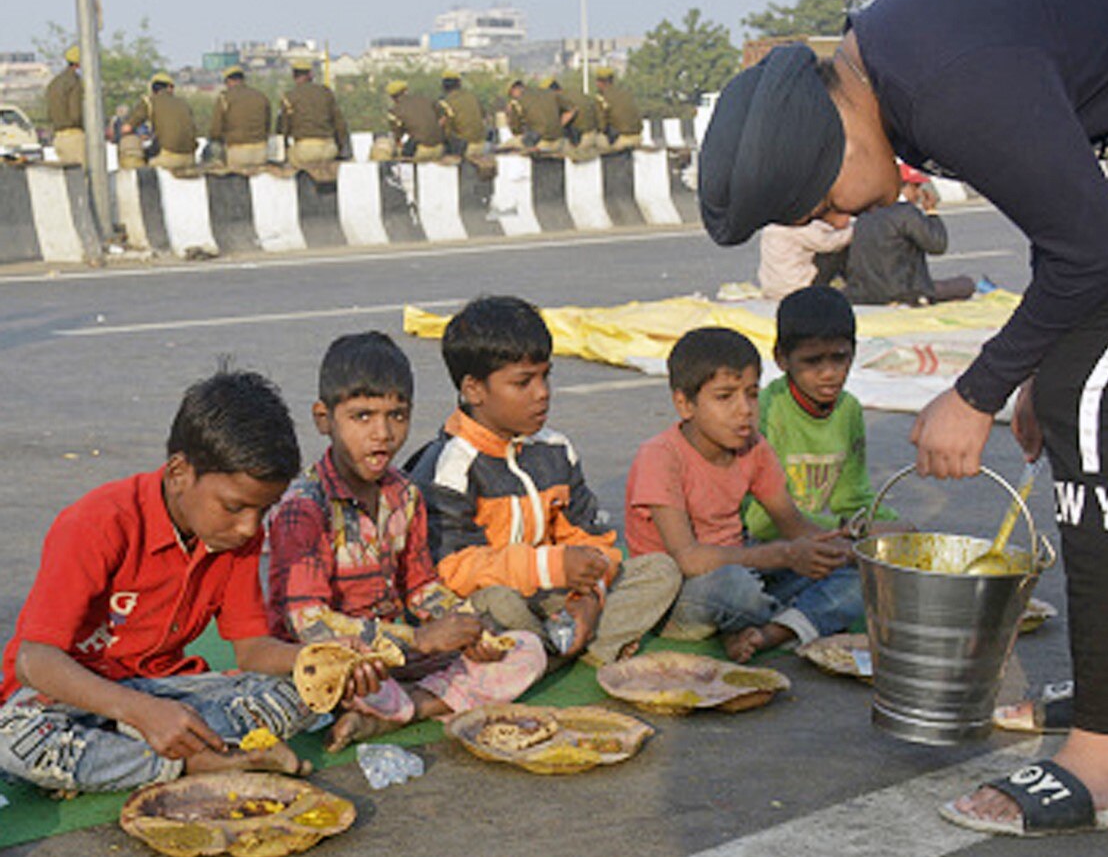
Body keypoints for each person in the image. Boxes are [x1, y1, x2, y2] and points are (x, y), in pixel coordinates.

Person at [698, 0, 1108, 836]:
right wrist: (1025, 368)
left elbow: (1092, 249)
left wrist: (976, 392)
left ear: (838, 132)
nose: (836, 223)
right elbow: (1077, 233)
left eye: (819, 202)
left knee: (1102, 392)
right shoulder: (903, 56)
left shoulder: (949, 83)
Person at [0, 371, 375, 793]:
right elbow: (33, 662)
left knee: (301, 693)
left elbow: (252, 650)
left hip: (168, 693)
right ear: (179, 472)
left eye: (263, 511)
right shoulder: (97, 523)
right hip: (70, 699)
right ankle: (195, 763)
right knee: (17, 740)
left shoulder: (238, 538)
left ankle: (166, 757)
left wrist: (321, 658)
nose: (249, 527)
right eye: (234, 507)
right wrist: (140, 712)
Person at [268, 332, 546, 753]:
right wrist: (418, 640)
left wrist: (465, 624)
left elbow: (420, 587)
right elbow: (308, 625)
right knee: (336, 683)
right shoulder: (304, 509)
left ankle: (406, 709)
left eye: (397, 416)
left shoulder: (404, 494)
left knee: (525, 650)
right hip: (341, 661)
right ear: (324, 419)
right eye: (362, 417)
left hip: (400, 655)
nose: (382, 434)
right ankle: (406, 704)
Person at [409, 296, 680, 667]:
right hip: (494, 598)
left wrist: (588, 598)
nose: (542, 393)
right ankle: (562, 649)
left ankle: (559, 649)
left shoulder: (555, 449)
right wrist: (550, 565)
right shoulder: (450, 467)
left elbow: (592, 542)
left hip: (553, 593)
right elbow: (452, 569)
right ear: (473, 390)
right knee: (499, 603)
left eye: (545, 376)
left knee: (659, 570)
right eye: (523, 382)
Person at [625, 326, 860, 663]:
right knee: (738, 590)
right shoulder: (660, 456)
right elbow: (687, 559)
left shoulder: (754, 448)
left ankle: (767, 634)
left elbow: (794, 526)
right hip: (682, 593)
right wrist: (784, 556)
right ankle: (797, 620)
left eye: (751, 394)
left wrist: (847, 551)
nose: (745, 410)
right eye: (725, 397)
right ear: (684, 404)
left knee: (853, 578)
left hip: (745, 565)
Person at [744, 286, 899, 555]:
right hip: (759, 548)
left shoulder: (848, 409)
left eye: (839, 358)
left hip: (813, 540)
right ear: (782, 358)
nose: (829, 373)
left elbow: (851, 497)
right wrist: (852, 529)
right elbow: (761, 521)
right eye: (812, 361)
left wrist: (897, 527)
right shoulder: (765, 412)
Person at [842, 166, 974, 306]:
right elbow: (937, 245)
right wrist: (931, 212)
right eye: (915, 187)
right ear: (901, 187)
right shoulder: (905, 213)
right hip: (903, 293)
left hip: (863, 294)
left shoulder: (865, 214)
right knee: (966, 284)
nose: (918, 193)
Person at [277, 59, 349, 168]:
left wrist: (286, 147)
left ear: (293, 76)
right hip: (328, 150)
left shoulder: (288, 97)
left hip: (304, 152)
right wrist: (340, 149)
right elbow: (340, 124)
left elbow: (283, 128)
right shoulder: (326, 93)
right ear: (311, 74)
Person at [757, 221, 852, 301]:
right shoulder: (797, 229)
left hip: (771, 290)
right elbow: (830, 242)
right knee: (834, 252)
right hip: (797, 288)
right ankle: (855, 286)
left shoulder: (770, 228)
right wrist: (856, 229)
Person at [124, 72, 197, 170]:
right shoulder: (184, 103)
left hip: (167, 158)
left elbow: (126, 129)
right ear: (170, 88)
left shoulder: (149, 102)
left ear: (153, 89)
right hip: (190, 158)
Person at [208, 64, 271, 170]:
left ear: (228, 81)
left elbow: (215, 130)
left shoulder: (224, 98)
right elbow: (267, 126)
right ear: (243, 79)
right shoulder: (261, 96)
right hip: (260, 152)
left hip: (238, 152)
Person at [385, 79, 445, 162]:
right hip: (440, 148)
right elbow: (444, 117)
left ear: (392, 97)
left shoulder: (395, 111)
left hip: (421, 150)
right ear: (406, 91)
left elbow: (397, 136)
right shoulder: (426, 100)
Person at [503, 78, 570, 154]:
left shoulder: (517, 103)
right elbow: (571, 110)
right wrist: (558, 125)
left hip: (540, 141)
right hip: (559, 140)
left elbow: (516, 131)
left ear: (513, 91)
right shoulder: (547, 93)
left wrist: (510, 116)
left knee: (507, 145)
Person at [45, 44, 84, 167]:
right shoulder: (74, 82)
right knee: (83, 178)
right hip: (74, 137)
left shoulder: (54, 82)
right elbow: (76, 113)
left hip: (58, 138)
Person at [436, 70, 488, 161]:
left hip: (464, 147)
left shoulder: (446, 103)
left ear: (444, 86)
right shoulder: (472, 97)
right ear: (459, 84)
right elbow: (484, 116)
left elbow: (445, 127)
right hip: (482, 144)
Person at [594, 66, 642, 152]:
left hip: (620, 140)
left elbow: (601, 125)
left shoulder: (602, 97)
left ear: (601, 83)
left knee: (596, 140)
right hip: (637, 138)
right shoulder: (626, 94)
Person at [547, 78, 599, 153]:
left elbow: (569, 114)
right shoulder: (573, 92)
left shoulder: (560, 98)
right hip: (592, 132)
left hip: (580, 136)